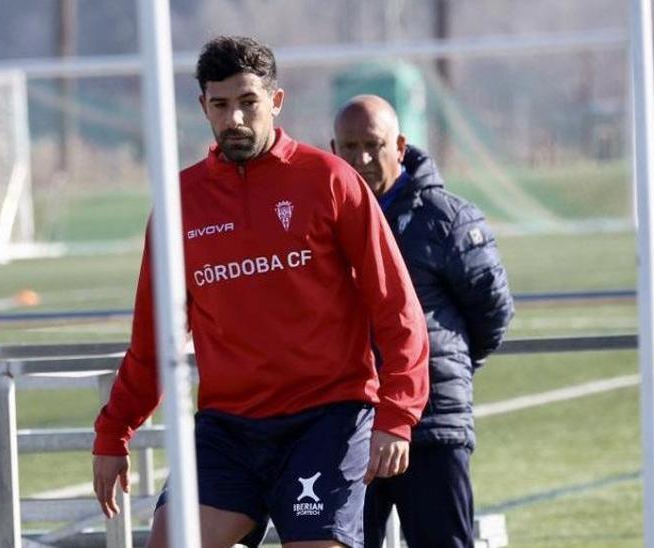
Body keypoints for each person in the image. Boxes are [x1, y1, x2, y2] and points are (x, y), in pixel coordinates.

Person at [91, 37, 431, 548]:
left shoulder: (330, 180)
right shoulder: (180, 203)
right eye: (221, 105)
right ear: (203, 106)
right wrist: (114, 431)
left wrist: (398, 412)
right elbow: (155, 338)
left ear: (275, 101)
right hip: (229, 429)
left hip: (327, 419)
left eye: (248, 102)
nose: (235, 119)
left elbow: (396, 306)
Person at [331, 95, 515, 548]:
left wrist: (438, 370)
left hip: (430, 425)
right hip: (346, 424)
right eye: (350, 147)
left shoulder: (446, 219)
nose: (362, 159)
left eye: (373, 145)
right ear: (334, 149)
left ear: (400, 145)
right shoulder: (322, 220)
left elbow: (492, 312)